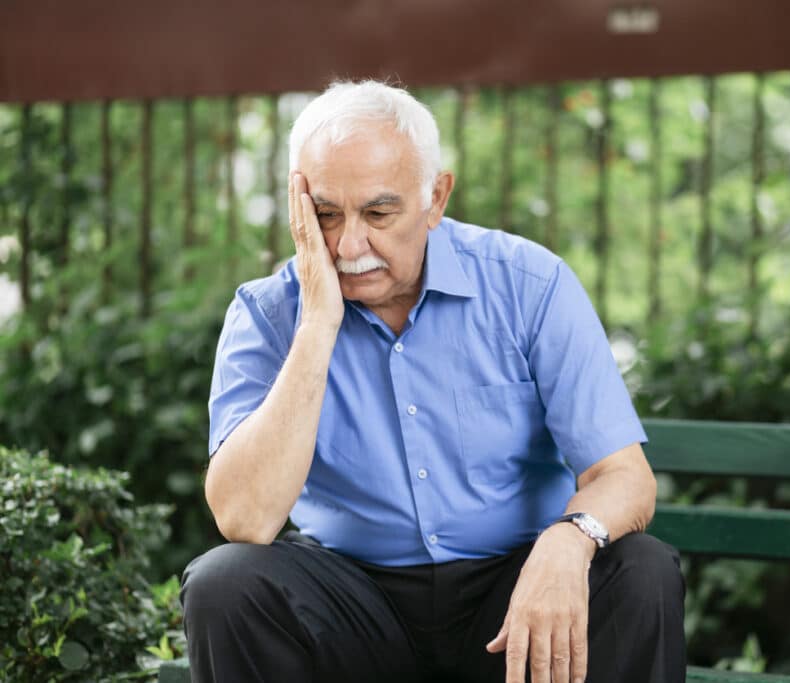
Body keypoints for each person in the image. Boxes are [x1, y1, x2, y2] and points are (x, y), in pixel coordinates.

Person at [180, 79, 685, 683]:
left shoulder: (529, 285)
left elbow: (624, 477)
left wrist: (569, 541)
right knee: (224, 584)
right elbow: (245, 519)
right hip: (354, 604)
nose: (348, 244)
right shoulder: (269, 315)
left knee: (640, 571)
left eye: (379, 212)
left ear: (436, 197)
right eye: (326, 215)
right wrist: (317, 323)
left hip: (515, 592)